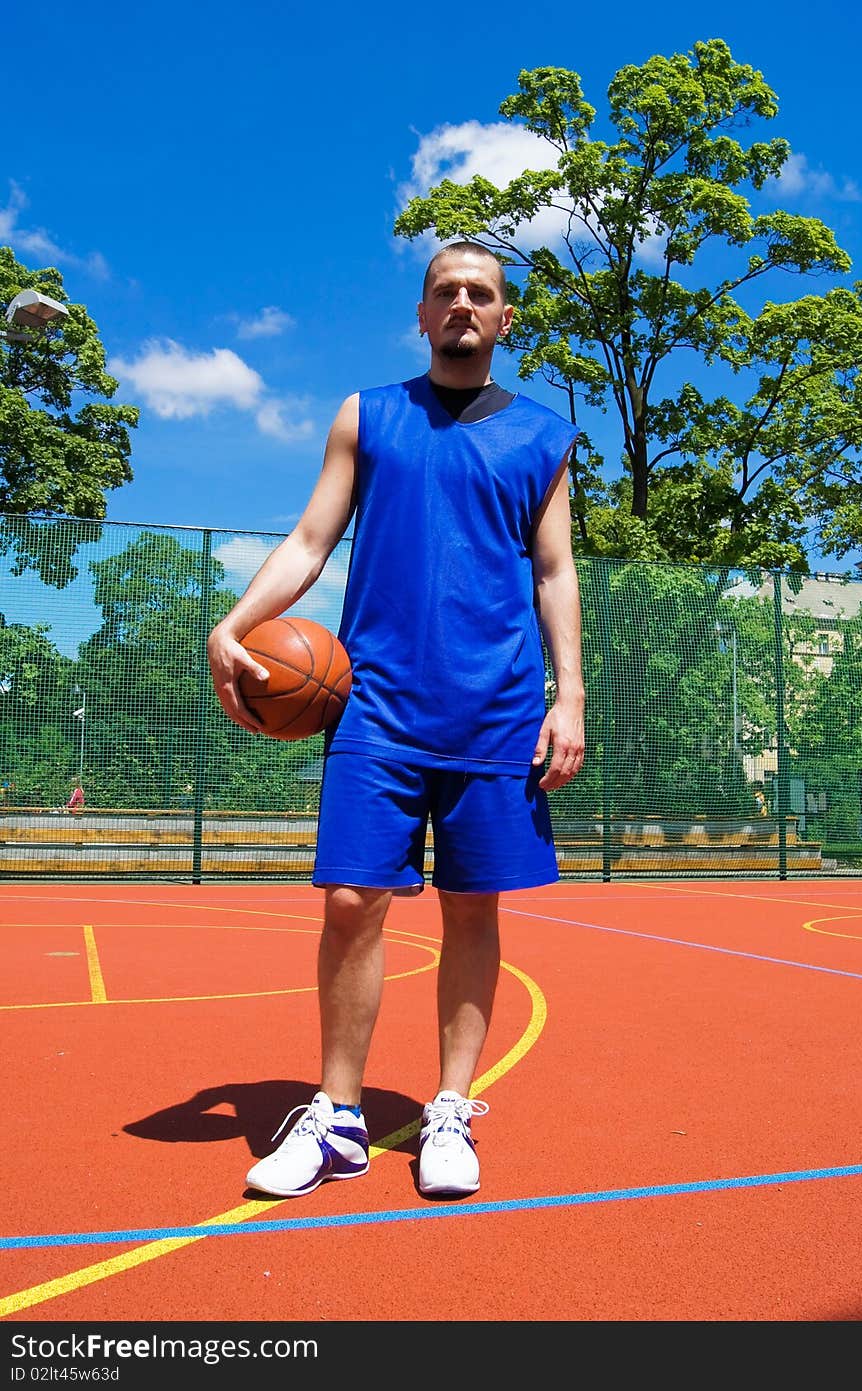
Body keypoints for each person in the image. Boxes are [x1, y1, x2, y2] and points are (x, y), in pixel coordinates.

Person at [207, 240, 585, 1200]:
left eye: (482, 293)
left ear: (505, 320)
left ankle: (449, 1108)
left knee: (473, 907)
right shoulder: (366, 415)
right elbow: (309, 538)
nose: (463, 303)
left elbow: (553, 572)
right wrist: (237, 622)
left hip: (497, 708)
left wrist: (569, 693)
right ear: (422, 314)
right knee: (349, 903)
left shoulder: (543, 435)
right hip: (376, 702)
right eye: (446, 290)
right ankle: (337, 1117)